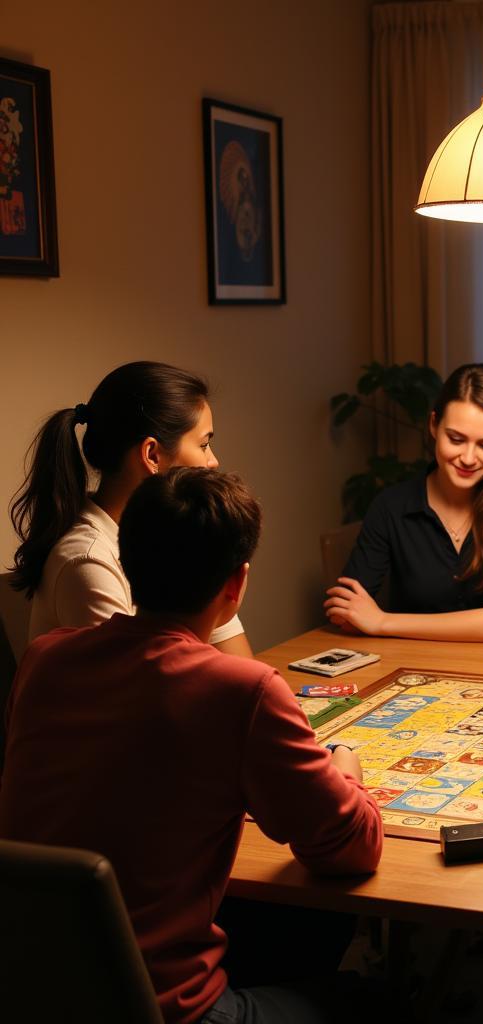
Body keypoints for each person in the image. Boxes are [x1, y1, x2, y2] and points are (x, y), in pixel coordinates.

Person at [0, 468, 383, 1024]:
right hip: (168, 1009)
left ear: (128, 564)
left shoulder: (45, 659)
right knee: (374, 997)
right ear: (237, 583)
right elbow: (351, 849)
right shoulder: (243, 688)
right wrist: (344, 766)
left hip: (31, 989)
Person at [10, 360, 252, 656]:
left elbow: (238, 666)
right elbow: (140, 692)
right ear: (152, 454)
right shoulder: (88, 562)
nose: (213, 461)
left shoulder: (178, 532)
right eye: (203, 445)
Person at [325, 363, 483, 642]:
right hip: (415, 671)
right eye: (456, 439)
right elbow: (346, 612)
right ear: (434, 425)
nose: (468, 458)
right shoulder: (391, 506)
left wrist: (382, 621)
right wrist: (359, 618)